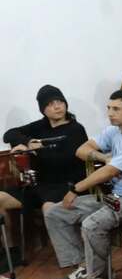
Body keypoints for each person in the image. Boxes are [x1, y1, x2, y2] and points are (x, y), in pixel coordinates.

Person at [44, 90, 122, 279]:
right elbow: (81, 150)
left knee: (91, 224)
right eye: (109, 108)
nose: (110, 113)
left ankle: (99, 274)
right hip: (115, 195)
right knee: (55, 213)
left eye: (116, 109)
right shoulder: (113, 131)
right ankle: (84, 266)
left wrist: (75, 189)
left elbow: (110, 172)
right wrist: (103, 157)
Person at [1, 86, 88, 250]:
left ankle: (73, 256)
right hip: (40, 185)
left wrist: (34, 151)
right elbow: (9, 134)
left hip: (66, 184)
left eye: (60, 102)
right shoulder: (41, 126)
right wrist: (27, 143)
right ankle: (11, 251)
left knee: (49, 208)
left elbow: (65, 160)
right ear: (43, 109)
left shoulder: (75, 129)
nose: (57, 107)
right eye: (50, 104)